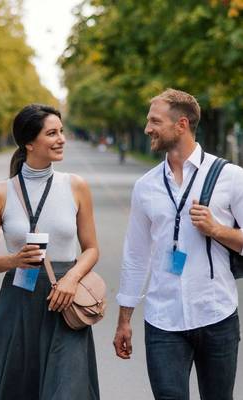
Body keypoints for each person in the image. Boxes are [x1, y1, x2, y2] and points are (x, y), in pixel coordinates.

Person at [113, 89, 243, 400]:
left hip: (217, 315)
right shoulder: (145, 186)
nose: (147, 129)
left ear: (181, 124)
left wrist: (217, 229)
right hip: (162, 320)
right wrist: (124, 320)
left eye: (154, 121)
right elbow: (135, 255)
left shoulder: (231, 177)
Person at [0, 104, 100, 400]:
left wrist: (71, 279)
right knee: (17, 388)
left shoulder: (76, 186)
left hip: (66, 301)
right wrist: (13, 260)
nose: (61, 139)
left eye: (61, 132)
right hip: (19, 300)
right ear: (29, 143)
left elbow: (92, 248)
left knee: (67, 389)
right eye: (52, 133)